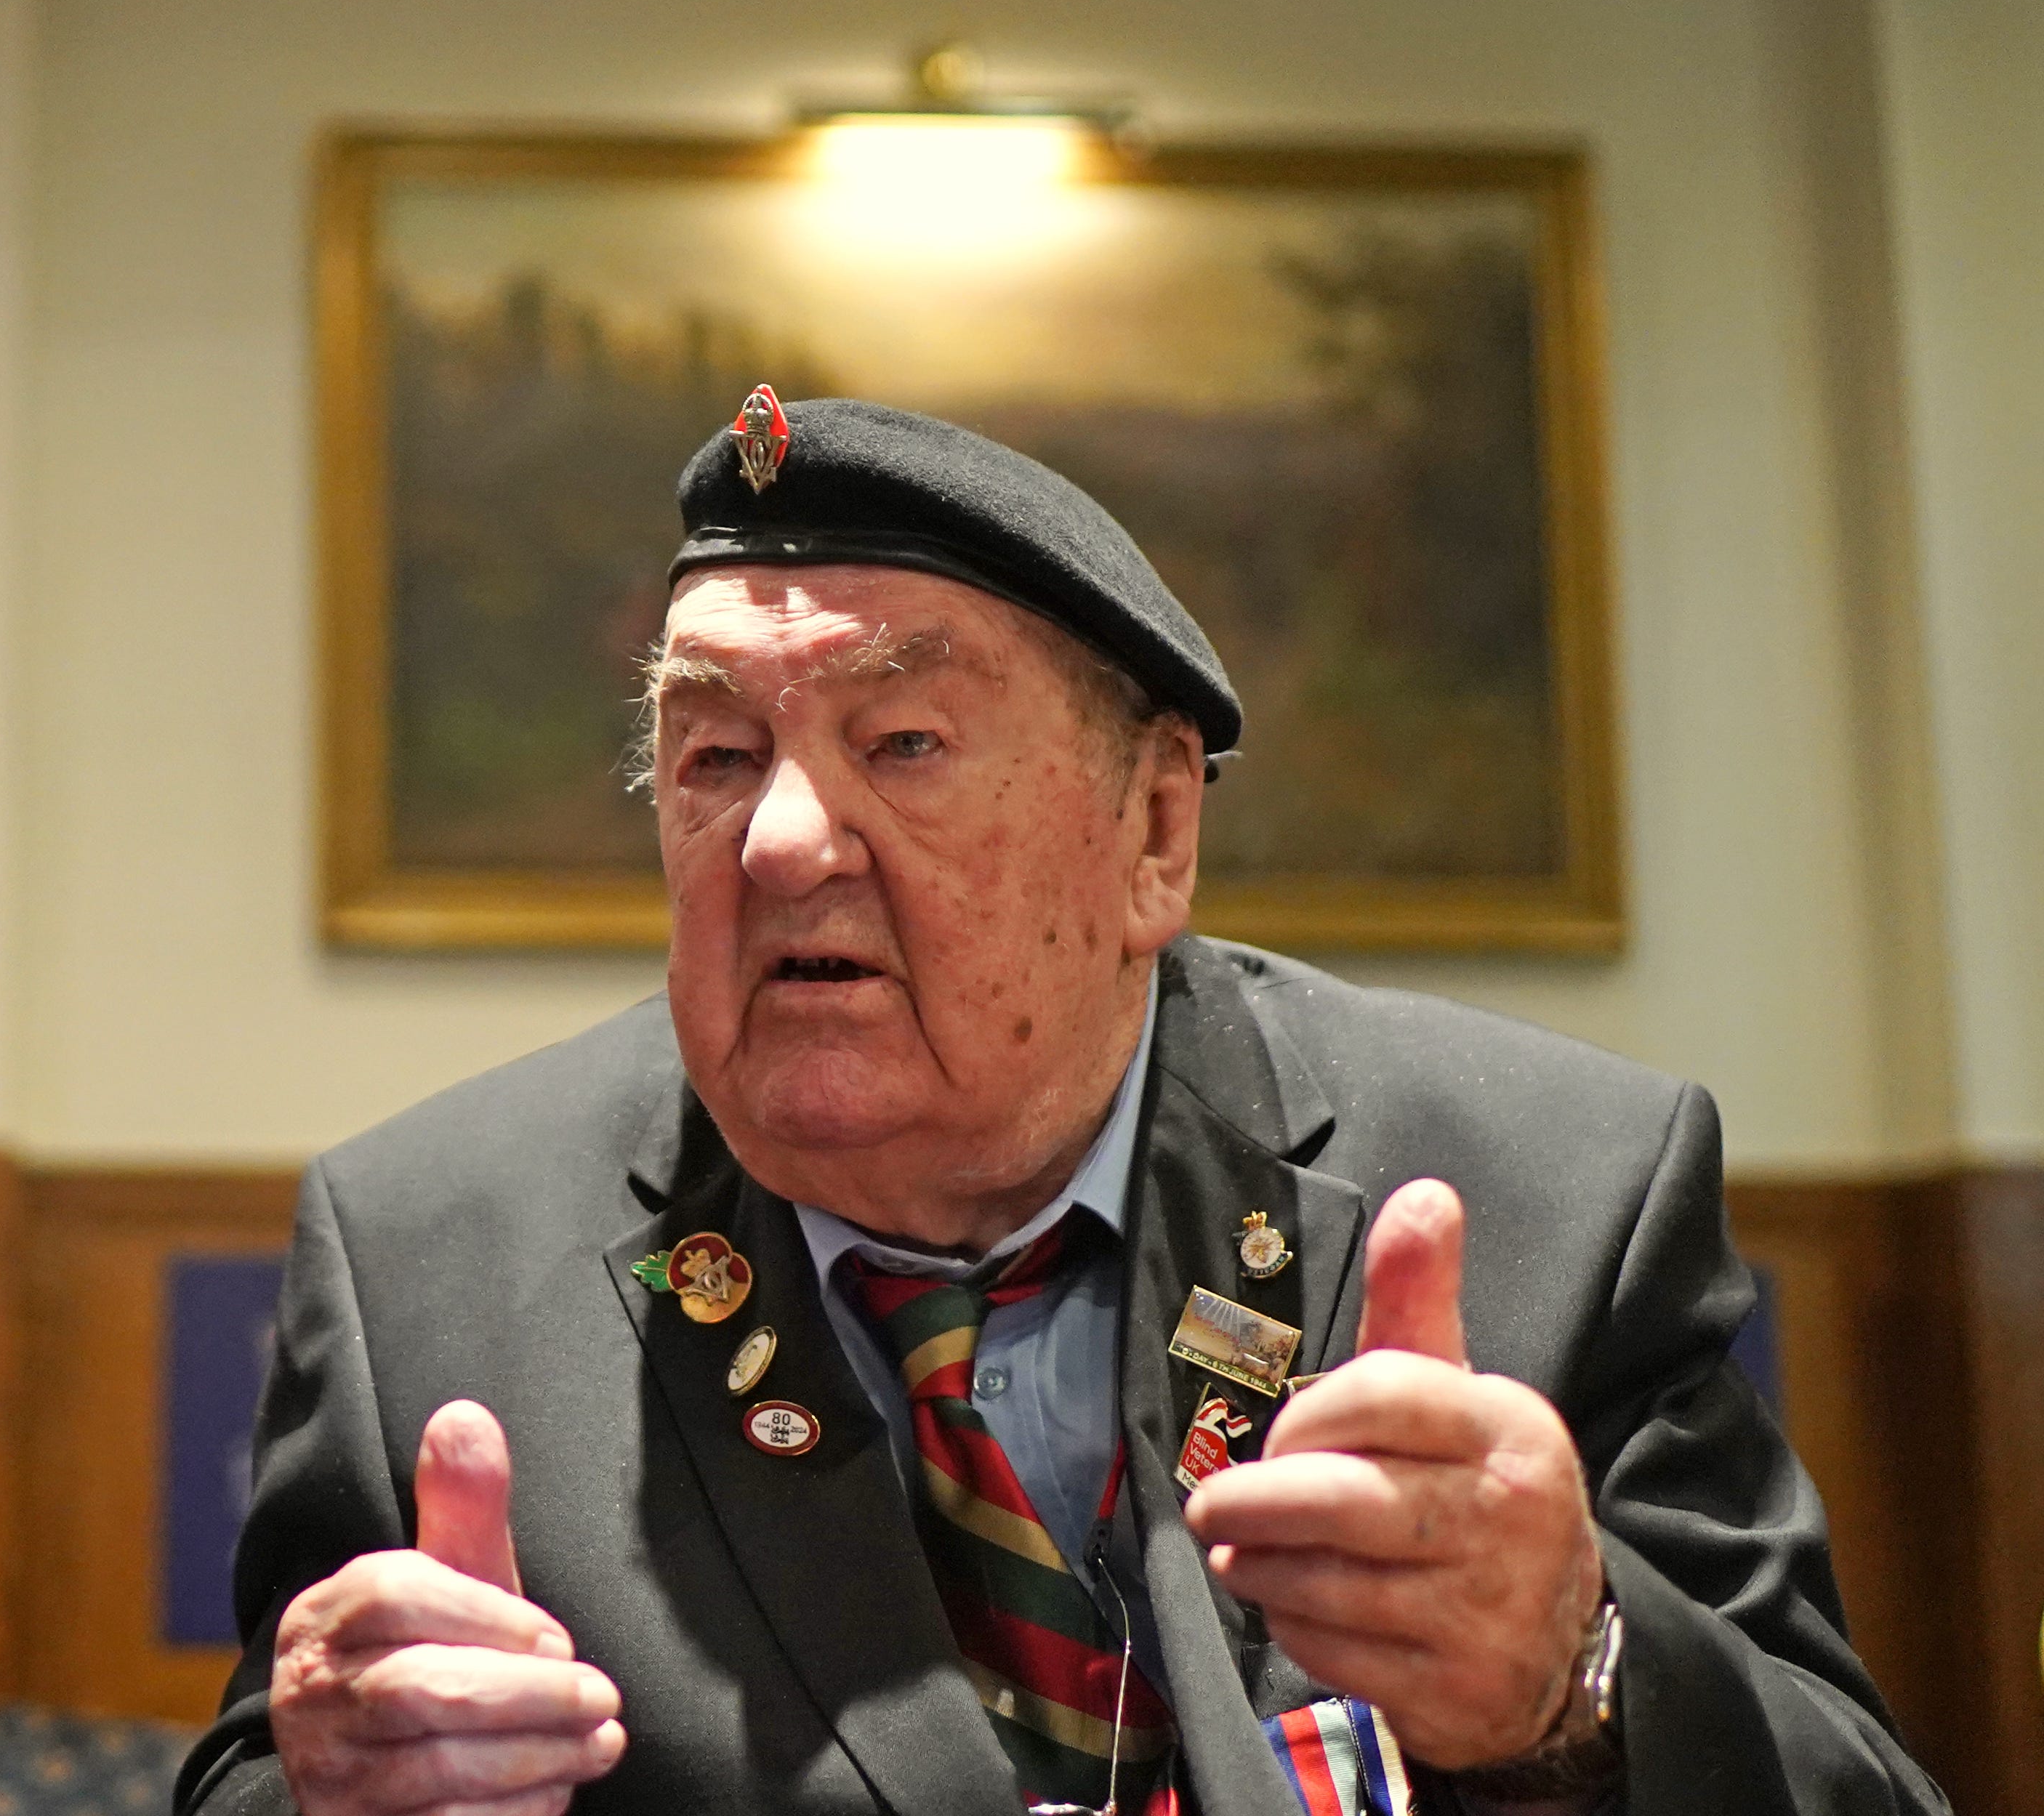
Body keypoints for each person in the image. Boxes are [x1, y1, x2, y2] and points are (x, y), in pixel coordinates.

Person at [185, 395, 1940, 1816]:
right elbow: (264, 1771)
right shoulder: (432, 1261)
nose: (784, 839)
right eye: (718, 755)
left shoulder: (1556, 1193)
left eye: (907, 745)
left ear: (1156, 832)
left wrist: (1578, 1687)